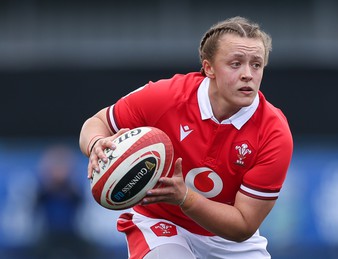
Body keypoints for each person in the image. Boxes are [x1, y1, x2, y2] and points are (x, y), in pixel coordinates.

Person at [79, 16, 293, 259]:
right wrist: (96, 143)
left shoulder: (274, 132)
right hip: (160, 222)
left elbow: (243, 225)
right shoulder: (165, 97)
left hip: (228, 240)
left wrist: (185, 198)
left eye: (256, 65)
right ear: (208, 68)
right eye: (235, 64)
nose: (248, 74)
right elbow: (96, 123)